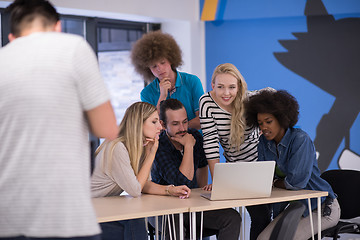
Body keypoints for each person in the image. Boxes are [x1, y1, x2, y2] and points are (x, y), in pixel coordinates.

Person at [0, 0, 119, 239]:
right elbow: (106, 128)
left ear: (13, 37)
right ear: (58, 27)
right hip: (63, 216)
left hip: (7, 216)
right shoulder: (73, 47)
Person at [245, 90, 340, 240]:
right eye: (260, 123)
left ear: (282, 119)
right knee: (262, 238)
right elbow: (263, 177)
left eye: (268, 122)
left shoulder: (300, 140)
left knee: (286, 238)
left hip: (320, 208)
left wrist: (275, 182)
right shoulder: (263, 142)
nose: (263, 127)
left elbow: (296, 182)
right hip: (296, 208)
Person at [91, 101, 191, 240]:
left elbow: (143, 184)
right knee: (134, 221)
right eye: (154, 122)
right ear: (139, 124)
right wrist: (151, 153)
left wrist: (169, 190)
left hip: (102, 209)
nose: (160, 127)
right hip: (87, 214)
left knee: (134, 221)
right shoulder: (117, 148)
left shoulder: (135, 146)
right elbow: (135, 190)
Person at [199, 63, 272, 240]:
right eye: (220, 87)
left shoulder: (249, 100)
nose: (226, 93)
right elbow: (210, 144)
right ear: (212, 85)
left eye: (232, 87)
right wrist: (218, 181)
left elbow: (273, 93)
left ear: (238, 86)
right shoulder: (206, 103)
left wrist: (265, 123)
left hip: (259, 165)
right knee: (239, 217)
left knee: (263, 216)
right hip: (235, 170)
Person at [150, 98, 241, 240]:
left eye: (185, 122)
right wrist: (188, 146)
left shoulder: (195, 136)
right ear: (162, 124)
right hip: (165, 209)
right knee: (177, 227)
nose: (182, 128)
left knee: (232, 218)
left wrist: (203, 190)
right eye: (175, 124)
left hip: (191, 204)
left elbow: (202, 167)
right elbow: (182, 181)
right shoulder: (159, 145)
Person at [131, 30, 204, 130]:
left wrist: (177, 129)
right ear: (147, 68)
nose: (159, 69)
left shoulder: (192, 82)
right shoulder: (146, 94)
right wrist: (162, 96)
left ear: (171, 59)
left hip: (196, 142)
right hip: (164, 145)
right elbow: (154, 127)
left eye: (162, 62)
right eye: (154, 66)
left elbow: (202, 120)